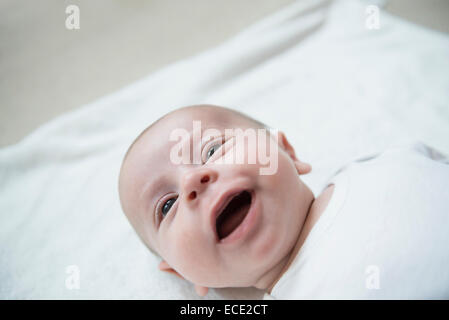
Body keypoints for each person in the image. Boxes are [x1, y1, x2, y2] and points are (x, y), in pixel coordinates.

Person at [118, 104, 449, 299]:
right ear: (181, 272)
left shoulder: (379, 164)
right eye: (166, 205)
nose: (192, 180)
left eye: (213, 149)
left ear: (286, 152)